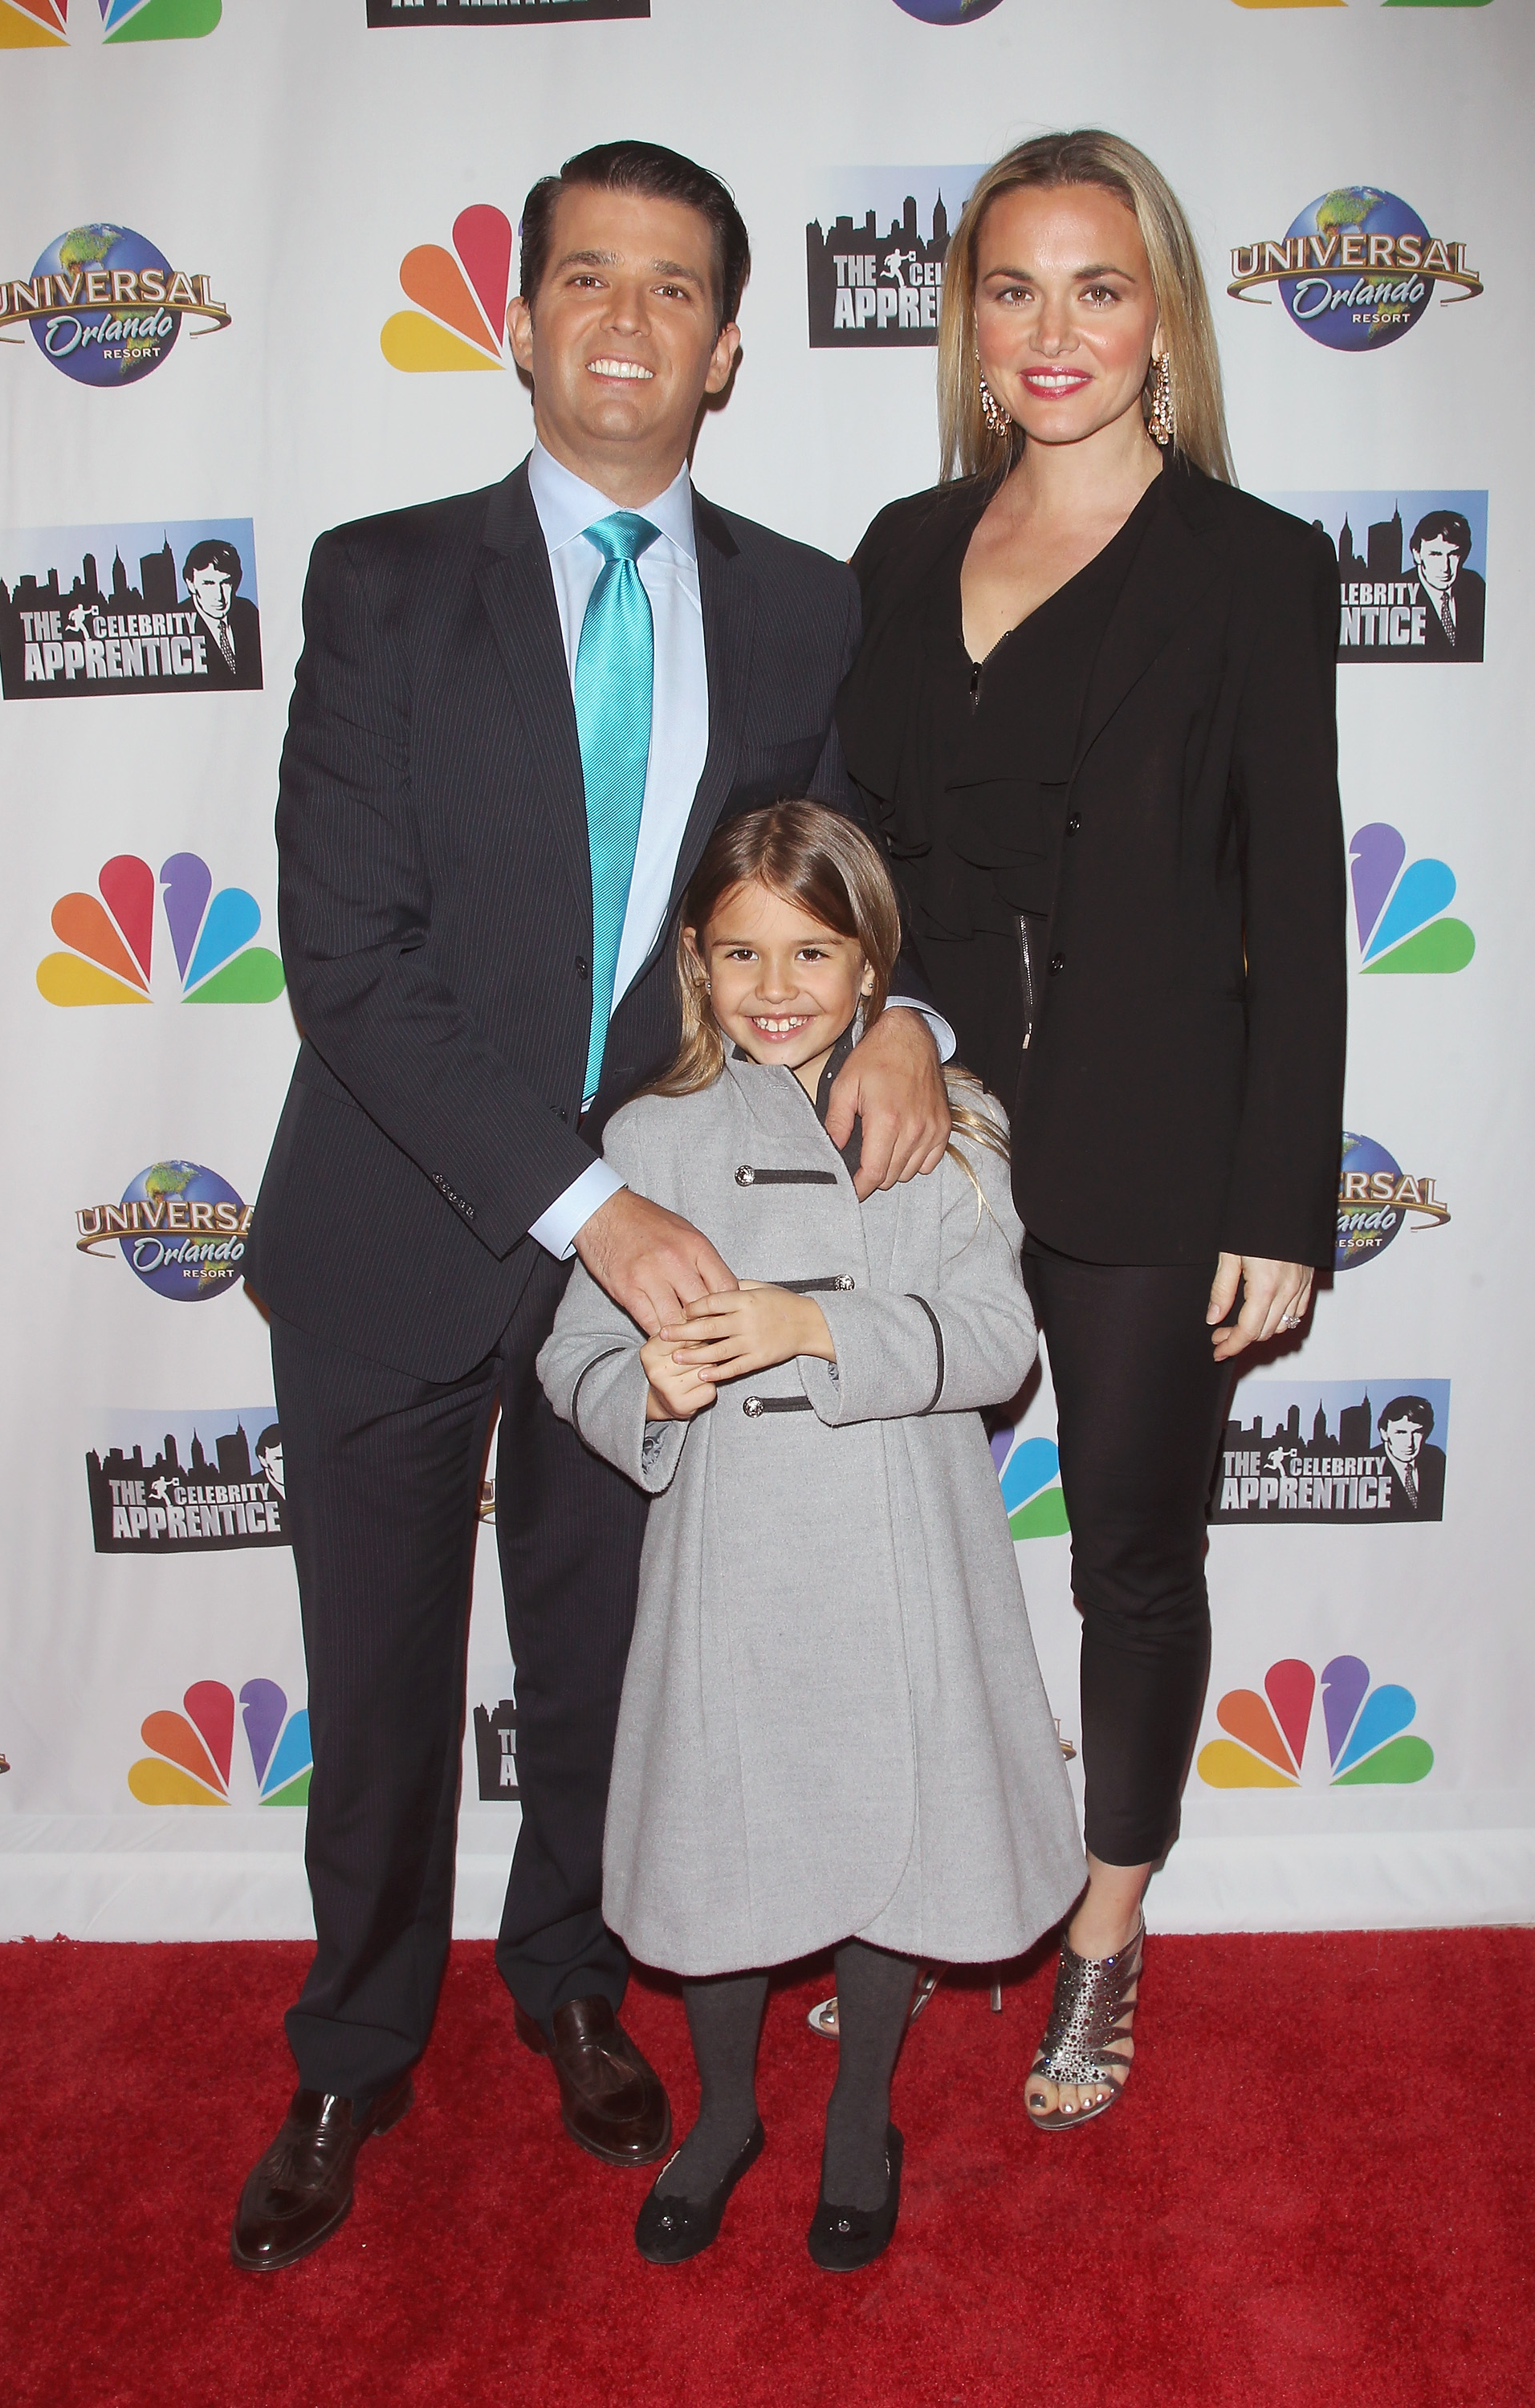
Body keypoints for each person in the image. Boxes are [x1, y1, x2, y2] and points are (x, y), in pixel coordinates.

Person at [231, 140, 951, 2275]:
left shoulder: (813, 604)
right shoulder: (377, 581)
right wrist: (580, 1211)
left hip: (665, 1249)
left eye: (672, 287)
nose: (625, 316)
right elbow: (346, 956)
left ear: (729, 348)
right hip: (392, 1230)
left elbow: (826, 902)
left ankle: (568, 1981)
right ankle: (353, 2045)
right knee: (370, 1691)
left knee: (603, 1665)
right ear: (522, 319)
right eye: (584, 278)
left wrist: (892, 1014)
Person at [836, 131, 1346, 2128]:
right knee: (891, 1529)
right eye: (1013, 289)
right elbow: (859, 855)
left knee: (1128, 1555)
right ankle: (916, 1881)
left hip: (1151, 1131)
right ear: (968, 325)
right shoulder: (897, 546)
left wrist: (1275, 1190)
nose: (1054, 332)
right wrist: (874, 1019)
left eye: (1098, 288)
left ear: (1162, 324)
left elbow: (1289, 902)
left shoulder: (1251, 566)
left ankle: (1103, 1939)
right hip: (921, 1121)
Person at [539, 803, 1083, 2271]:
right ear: (694, 966)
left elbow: (992, 1342)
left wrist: (807, 1327)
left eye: (810, 951)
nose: (773, 985)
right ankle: (724, 2116)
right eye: (739, 953)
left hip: (902, 1548)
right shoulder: (642, 1136)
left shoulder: (947, 1121)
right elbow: (571, 1352)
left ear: (869, 968)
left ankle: (858, 2114)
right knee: (724, 1855)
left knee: (887, 1840)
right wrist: (635, 1385)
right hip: (726, 1561)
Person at [182, 538, 263, 686]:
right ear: (191, 584)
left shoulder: (249, 613)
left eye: (225, 582)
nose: (219, 596)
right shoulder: (178, 622)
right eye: (208, 583)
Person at [1409, 509, 1484, 661]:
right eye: (1435, 554)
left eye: (1453, 554)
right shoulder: (1397, 591)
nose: (1445, 567)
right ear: (1417, 554)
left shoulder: (1476, 586)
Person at [1376, 1395, 1446, 1519]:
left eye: (1417, 1432)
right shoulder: (1366, 1464)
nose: (1409, 1443)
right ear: (1384, 1433)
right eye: (1401, 1433)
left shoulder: (1437, 1458)